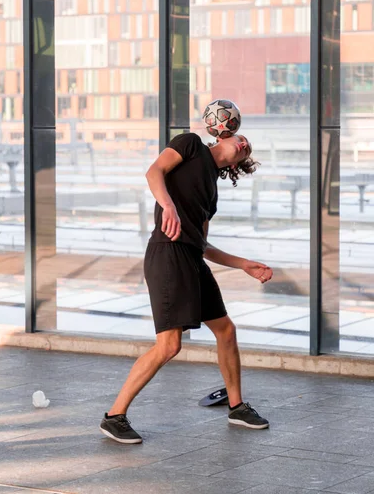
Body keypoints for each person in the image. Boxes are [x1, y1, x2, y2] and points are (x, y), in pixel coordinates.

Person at [100, 131, 273, 444]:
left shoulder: (211, 192)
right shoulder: (191, 144)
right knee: (169, 345)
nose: (244, 143)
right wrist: (168, 206)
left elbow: (203, 245)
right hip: (167, 253)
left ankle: (236, 407)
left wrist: (244, 264)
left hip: (192, 258)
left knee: (226, 330)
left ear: (238, 163)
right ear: (224, 134)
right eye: (242, 138)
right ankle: (114, 416)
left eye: (248, 147)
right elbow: (154, 171)